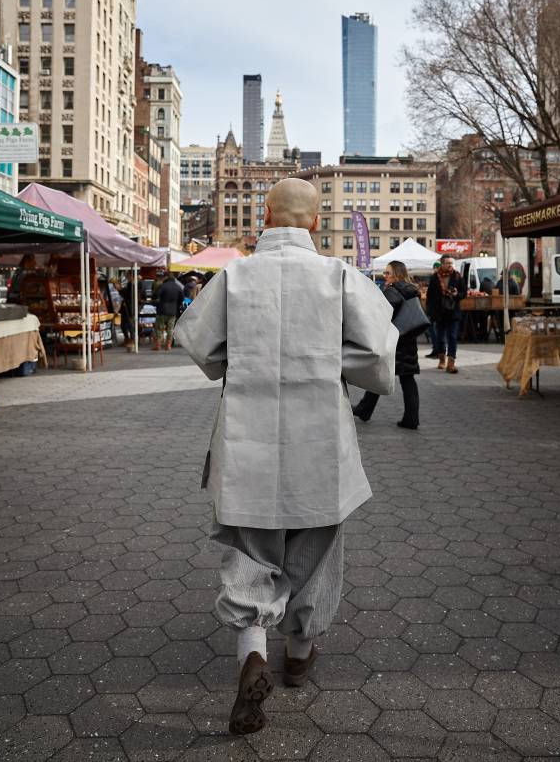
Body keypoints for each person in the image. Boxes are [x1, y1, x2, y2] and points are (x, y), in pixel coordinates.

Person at [174, 177, 397, 737]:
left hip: (246, 439)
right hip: (320, 440)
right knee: (316, 550)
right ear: (316, 222)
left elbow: (198, 343)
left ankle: (252, 651)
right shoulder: (339, 276)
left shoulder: (235, 276)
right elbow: (377, 351)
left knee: (251, 549)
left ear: (266, 215)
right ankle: (297, 656)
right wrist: (327, 360)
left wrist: (237, 360)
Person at [352, 261, 421, 429]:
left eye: (388, 273)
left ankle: (365, 409)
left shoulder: (393, 291)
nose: (385, 276)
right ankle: (411, 418)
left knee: (379, 374)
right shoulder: (413, 290)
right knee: (407, 379)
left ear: (397, 274)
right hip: (408, 340)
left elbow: (381, 314)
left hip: (393, 340)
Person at [426, 254, 466, 374]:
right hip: (439, 313)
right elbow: (430, 296)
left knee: (452, 337)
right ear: (442, 264)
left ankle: (451, 363)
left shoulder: (457, 276)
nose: (450, 265)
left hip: (453, 312)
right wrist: (430, 312)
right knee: (440, 337)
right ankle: (442, 359)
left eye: (451, 263)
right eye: (448, 263)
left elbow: (464, 293)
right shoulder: (435, 277)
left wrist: (457, 295)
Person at [152, 271, 184, 351]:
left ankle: (158, 345)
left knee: (159, 328)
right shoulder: (178, 287)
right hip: (173, 311)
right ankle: (168, 345)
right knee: (170, 329)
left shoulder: (163, 286)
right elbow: (182, 299)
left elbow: (156, 295)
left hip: (162, 310)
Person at [424, 260, 441, 358]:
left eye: (436, 268)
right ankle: (436, 350)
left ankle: (437, 351)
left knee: (435, 330)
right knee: (433, 330)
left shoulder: (438, 278)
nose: (434, 270)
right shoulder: (435, 278)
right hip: (433, 309)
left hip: (435, 310)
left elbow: (432, 295)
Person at [119, 271, 138, 351]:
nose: (127, 277)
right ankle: (127, 339)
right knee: (124, 324)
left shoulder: (132, 285)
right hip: (127, 307)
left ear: (131, 276)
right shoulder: (130, 284)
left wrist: (120, 290)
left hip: (129, 307)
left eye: (128, 275)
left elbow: (127, 295)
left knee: (129, 324)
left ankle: (131, 340)